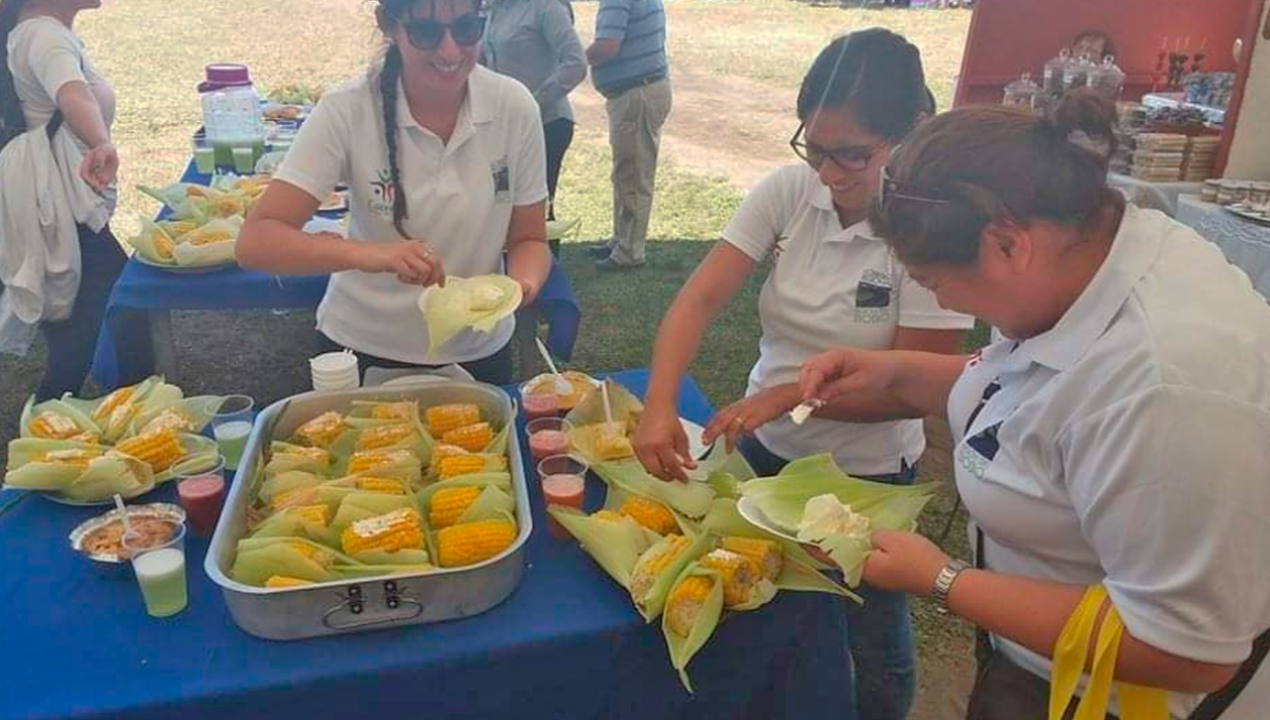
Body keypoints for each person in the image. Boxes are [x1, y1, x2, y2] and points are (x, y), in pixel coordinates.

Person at [799, 98, 1270, 719]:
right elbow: (1042, 402)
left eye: (937, 282)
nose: (940, 299)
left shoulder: (1169, 392)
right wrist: (900, 372)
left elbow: (1187, 651)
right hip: (1038, 654)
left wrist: (943, 579)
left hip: (1109, 698)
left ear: (1006, 245)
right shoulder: (1087, 251)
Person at [632, 30, 973, 720]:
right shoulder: (791, 191)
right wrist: (658, 402)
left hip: (865, 477)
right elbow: (699, 298)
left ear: (906, 135)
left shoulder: (926, 227)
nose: (829, 172)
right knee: (759, 603)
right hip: (766, 455)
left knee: (870, 632)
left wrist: (788, 397)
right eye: (814, 147)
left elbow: (918, 383)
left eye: (852, 155)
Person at [237, 0, 552, 386]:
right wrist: (368, 255)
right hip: (362, 345)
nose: (450, 51)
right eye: (426, 33)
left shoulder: (513, 107)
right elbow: (256, 241)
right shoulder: (348, 109)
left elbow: (530, 238)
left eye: (468, 28)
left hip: (476, 350)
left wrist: (520, 287)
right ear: (389, 25)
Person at [0, 0, 152, 400]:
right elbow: (72, 93)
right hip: (59, 207)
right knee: (110, 311)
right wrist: (101, 142)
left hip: (57, 201)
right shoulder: (44, 33)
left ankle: (134, 408)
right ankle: (47, 424)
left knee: (105, 313)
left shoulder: (37, 29)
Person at [482, 0, 585, 234]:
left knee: (536, 210)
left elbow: (576, 62)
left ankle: (546, 268)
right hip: (501, 126)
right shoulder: (491, 10)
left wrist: (532, 103)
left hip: (547, 124)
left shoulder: (545, 8)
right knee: (500, 204)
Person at [585, 0, 670, 271]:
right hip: (640, 91)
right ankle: (621, 240)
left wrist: (575, 57)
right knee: (627, 171)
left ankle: (630, 251)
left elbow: (608, 47)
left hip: (636, 94)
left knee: (633, 175)